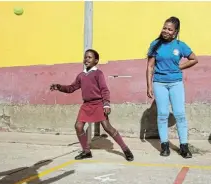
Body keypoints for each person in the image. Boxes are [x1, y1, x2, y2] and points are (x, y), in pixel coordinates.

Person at [50, 49, 134, 161]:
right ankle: (86, 151)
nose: (86, 59)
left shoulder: (98, 74)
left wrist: (106, 104)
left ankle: (125, 149)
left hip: (99, 103)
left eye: (89, 57)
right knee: (78, 126)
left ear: (96, 61)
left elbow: (104, 89)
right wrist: (59, 87)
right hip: (87, 105)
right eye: (85, 57)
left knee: (107, 127)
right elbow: (71, 88)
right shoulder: (81, 75)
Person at [146, 16, 198, 158]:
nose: (166, 31)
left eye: (170, 29)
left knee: (180, 114)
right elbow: (150, 66)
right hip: (159, 83)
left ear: (175, 32)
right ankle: (164, 146)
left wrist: (180, 66)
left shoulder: (180, 45)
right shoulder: (155, 44)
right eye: (164, 28)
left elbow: (194, 59)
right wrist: (149, 86)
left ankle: (184, 147)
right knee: (162, 114)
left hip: (176, 83)